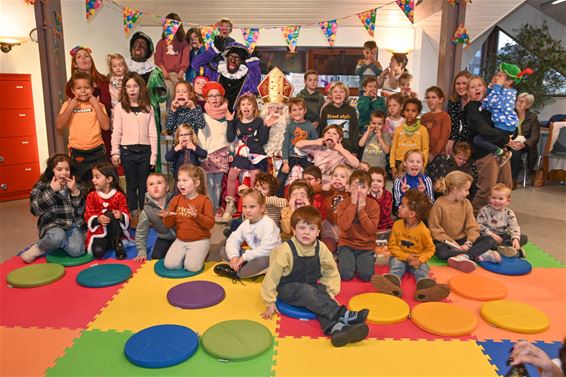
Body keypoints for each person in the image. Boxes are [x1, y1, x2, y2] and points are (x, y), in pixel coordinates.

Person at [261, 205, 370, 347]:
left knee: (319, 301)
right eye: (302, 228)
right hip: (288, 288)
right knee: (307, 292)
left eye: (312, 228)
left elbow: (331, 271)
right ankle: (343, 314)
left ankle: (338, 329)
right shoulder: (286, 250)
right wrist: (269, 301)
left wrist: (329, 291)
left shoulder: (321, 248)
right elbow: (272, 276)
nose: (306, 232)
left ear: (318, 232)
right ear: (293, 230)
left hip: (312, 287)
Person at [371, 189, 450, 302]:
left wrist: (420, 260)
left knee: (422, 271)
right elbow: (392, 246)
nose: (398, 207)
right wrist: (406, 257)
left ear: (411, 214)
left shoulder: (423, 231)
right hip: (400, 256)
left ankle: (425, 290)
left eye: (402, 206)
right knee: (396, 266)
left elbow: (430, 249)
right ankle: (392, 285)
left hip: (417, 259)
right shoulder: (397, 225)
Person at [428, 171, 498, 273]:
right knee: (441, 253)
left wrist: (468, 243)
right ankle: (478, 254)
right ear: (455, 190)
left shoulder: (466, 203)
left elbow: (473, 226)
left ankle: (466, 256)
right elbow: (435, 229)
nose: (468, 193)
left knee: (489, 240)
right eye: (466, 190)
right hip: (446, 242)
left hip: (464, 241)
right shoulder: (439, 204)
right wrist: (453, 244)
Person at [110, 72, 158, 219]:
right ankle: (133, 213)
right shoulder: (119, 107)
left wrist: (154, 156)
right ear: (124, 89)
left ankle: (145, 213)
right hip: (127, 152)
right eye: (128, 86)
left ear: (140, 88)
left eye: (135, 86)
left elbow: (153, 133)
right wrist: (115, 152)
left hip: (145, 152)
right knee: (131, 184)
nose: (132, 89)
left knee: (144, 185)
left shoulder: (148, 108)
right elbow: (116, 130)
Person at [22, 154, 86, 263]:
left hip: (72, 225)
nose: (64, 173)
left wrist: (76, 192)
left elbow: (80, 212)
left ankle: (56, 243)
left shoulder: (75, 184)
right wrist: (51, 190)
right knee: (57, 236)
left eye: (67, 169)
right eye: (59, 169)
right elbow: (35, 210)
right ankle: (39, 247)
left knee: (78, 251)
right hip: (51, 224)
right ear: (52, 171)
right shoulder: (41, 186)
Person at [463, 75, 513, 212]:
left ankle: (497, 218)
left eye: (479, 85)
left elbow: (505, 121)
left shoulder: (492, 104)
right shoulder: (472, 107)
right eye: (472, 87)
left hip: (501, 151)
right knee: (487, 189)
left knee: (505, 187)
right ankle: (474, 218)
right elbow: (482, 129)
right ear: (468, 92)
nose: (476, 88)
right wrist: (506, 138)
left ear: (485, 88)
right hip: (484, 154)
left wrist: (511, 133)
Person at [224, 94, 272, 221]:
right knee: (232, 174)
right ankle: (230, 204)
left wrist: (266, 127)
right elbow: (230, 138)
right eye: (243, 104)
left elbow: (262, 140)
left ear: (254, 107)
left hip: (255, 152)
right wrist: (229, 121)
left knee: (254, 176)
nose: (246, 107)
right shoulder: (237, 121)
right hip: (242, 152)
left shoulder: (258, 121)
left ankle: (252, 207)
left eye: (249, 104)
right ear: (240, 108)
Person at [56, 72, 110, 184]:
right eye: (79, 88)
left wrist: (96, 105)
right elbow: (59, 125)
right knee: (79, 184)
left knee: (99, 183)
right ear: (72, 91)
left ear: (92, 89)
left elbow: (106, 126)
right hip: (77, 152)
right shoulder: (67, 105)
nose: (83, 91)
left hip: (97, 151)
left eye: (87, 88)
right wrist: (71, 106)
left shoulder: (98, 105)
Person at [215, 189, 281, 279]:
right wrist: (234, 256)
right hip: (252, 256)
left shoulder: (268, 224)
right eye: (245, 206)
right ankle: (244, 268)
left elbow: (268, 249)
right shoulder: (245, 223)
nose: (247, 210)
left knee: (264, 261)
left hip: (267, 256)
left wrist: (244, 257)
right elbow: (233, 239)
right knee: (223, 250)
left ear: (262, 208)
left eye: (252, 207)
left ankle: (238, 273)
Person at [126, 32, 168, 171]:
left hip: (150, 115)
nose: (139, 45)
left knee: (151, 149)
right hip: (128, 114)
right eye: (136, 43)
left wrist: (162, 91)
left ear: (148, 51)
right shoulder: (123, 68)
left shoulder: (155, 71)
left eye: (143, 44)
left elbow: (162, 97)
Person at [162, 165, 214, 272]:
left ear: (196, 183)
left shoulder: (204, 201)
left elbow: (210, 224)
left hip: (200, 240)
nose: (180, 183)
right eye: (179, 180)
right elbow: (168, 225)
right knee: (170, 265)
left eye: (185, 180)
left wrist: (197, 216)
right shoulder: (176, 200)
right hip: (181, 240)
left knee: (192, 268)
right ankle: (188, 255)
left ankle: (199, 253)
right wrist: (168, 216)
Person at [66, 46, 112, 157]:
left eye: (86, 56)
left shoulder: (104, 80)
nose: (84, 59)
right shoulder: (70, 85)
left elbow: (109, 104)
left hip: (103, 127)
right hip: (85, 131)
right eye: (79, 57)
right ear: (75, 64)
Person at [336, 170, 380, 282]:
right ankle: (344, 259)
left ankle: (364, 260)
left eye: (363, 187)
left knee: (367, 276)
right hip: (347, 244)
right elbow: (344, 226)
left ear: (369, 190)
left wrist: (361, 210)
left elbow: (371, 230)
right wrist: (353, 205)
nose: (359, 191)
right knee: (346, 275)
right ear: (349, 188)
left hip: (366, 246)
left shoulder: (373, 205)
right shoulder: (344, 204)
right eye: (355, 187)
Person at [192, 40, 260, 110]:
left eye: (237, 58)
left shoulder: (246, 78)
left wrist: (253, 64)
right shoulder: (215, 72)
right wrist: (213, 51)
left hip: (236, 118)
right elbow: (195, 64)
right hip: (213, 116)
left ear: (241, 61)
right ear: (226, 57)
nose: (233, 61)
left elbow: (255, 87)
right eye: (231, 57)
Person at [85, 162, 130, 259]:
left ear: (109, 179)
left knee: (110, 213)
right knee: (97, 252)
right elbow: (88, 215)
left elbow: (126, 213)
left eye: (97, 177)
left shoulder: (119, 196)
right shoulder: (91, 196)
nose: (93, 180)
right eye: (93, 177)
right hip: (99, 231)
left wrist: (121, 215)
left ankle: (117, 243)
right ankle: (109, 242)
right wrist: (98, 219)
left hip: (116, 230)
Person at [199, 81, 231, 217]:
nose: (214, 99)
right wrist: (203, 155)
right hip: (209, 154)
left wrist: (232, 151)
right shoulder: (204, 117)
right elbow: (201, 136)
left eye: (217, 95)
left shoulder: (227, 117)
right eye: (211, 96)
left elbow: (231, 137)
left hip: (222, 153)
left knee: (217, 184)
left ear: (222, 97)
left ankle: (216, 207)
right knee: (208, 183)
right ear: (206, 98)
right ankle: (209, 209)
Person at [278, 97, 318, 195]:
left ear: (305, 111)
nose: (297, 112)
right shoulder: (290, 127)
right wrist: (285, 162)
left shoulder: (310, 127)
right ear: (290, 113)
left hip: (305, 157)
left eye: (300, 109)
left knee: (314, 175)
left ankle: (313, 196)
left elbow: (316, 143)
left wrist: (314, 159)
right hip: (291, 157)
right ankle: (278, 198)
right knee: (280, 179)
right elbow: (285, 146)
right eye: (294, 110)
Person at [477, 183, 528, 257]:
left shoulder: (509, 213)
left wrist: (515, 239)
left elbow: (514, 227)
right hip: (488, 235)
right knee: (487, 241)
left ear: (507, 201)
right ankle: (509, 249)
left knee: (523, 238)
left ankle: (507, 247)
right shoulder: (484, 210)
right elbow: (479, 225)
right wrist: (491, 234)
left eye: (500, 199)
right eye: (494, 198)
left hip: (502, 236)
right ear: (489, 199)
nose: (497, 201)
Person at [134, 173, 175, 261]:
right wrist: (141, 251)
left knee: (177, 259)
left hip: (181, 237)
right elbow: (141, 232)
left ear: (167, 188)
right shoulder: (146, 210)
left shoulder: (175, 201)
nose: (155, 186)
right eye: (151, 184)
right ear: (147, 190)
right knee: (155, 258)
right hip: (164, 238)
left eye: (159, 183)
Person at [154, 13, 189, 113]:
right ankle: (170, 123)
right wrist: (164, 71)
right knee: (169, 98)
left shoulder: (183, 43)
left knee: (180, 98)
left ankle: (180, 121)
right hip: (167, 75)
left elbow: (185, 57)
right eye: (168, 25)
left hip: (178, 75)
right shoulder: (162, 42)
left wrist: (182, 70)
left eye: (173, 25)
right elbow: (158, 58)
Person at [390, 98, 429, 176]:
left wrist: (423, 165)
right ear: (403, 112)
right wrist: (392, 166)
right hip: (400, 162)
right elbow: (393, 148)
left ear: (418, 113)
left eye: (413, 111)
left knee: (414, 186)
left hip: (416, 164)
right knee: (399, 185)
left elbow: (425, 149)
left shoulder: (423, 130)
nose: (410, 113)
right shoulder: (399, 129)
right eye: (407, 110)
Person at [319, 82, 359, 155]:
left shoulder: (351, 110)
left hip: (347, 149)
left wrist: (355, 150)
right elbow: (322, 130)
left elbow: (355, 131)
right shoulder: (326, 110)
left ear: (346, 95)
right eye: (335, 92)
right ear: (331, 94)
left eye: (341, 92)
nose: (338, 94)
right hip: (330, 148)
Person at [510, 92, 540, 188]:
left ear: (528, 105)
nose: (519, 103)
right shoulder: (510, 114)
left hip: (526, 145)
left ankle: (513, 179)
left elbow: (535, 136)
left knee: (516, 152)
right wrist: (509, 141)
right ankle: (508, 178)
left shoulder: (532, 117)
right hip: (511, 142)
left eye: (522, 102)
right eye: (518, 100)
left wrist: (524, 144)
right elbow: (504, 131)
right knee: (514, 150)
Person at [320, 165, 352, 252]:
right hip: (330, 228)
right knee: (327, 249)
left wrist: (352, 191)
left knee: (345, 250)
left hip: (345, 230)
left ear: (348, 181)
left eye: (342, 177)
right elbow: (312, 189)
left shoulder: (350, 194)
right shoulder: (328, 191)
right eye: (335, 176)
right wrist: (323, 187)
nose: (338, 178)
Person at [165, 124, 207, 189]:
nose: (184, 137)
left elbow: (204, 154)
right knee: (179, 196)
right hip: (180, 179)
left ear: (191, 136)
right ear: (178, 137)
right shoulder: (177, 148)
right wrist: (176, 149)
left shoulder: (194, 146)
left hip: (193, 179)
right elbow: (168, 157)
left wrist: (194, 148)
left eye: (187, 134)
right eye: (181, 135)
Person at [421, 86, 451, 162]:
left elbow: (444, 137)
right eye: (428, 97)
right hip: (424, 154)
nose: (430, 100)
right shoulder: (424, 116)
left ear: (440, 100)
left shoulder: (445, 116)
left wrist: (433, 154)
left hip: (438, 155)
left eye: (433, 97)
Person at [446, 70, 472, 155]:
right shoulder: (453, 101)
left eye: (464, 83)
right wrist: (451, 140)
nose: (461, 86)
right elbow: (454, 123)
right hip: (461, 137)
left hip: (476, 138)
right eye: (458, 83)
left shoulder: (477, 100)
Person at [368, 166, 393, 237]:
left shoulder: (388, 195)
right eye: (372, 181)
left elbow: (385, 214)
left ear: (384, 183)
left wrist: (379, 200)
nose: (375, 183)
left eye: (379, 181)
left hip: (384, 225)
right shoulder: (365, 195)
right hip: (369, 226)